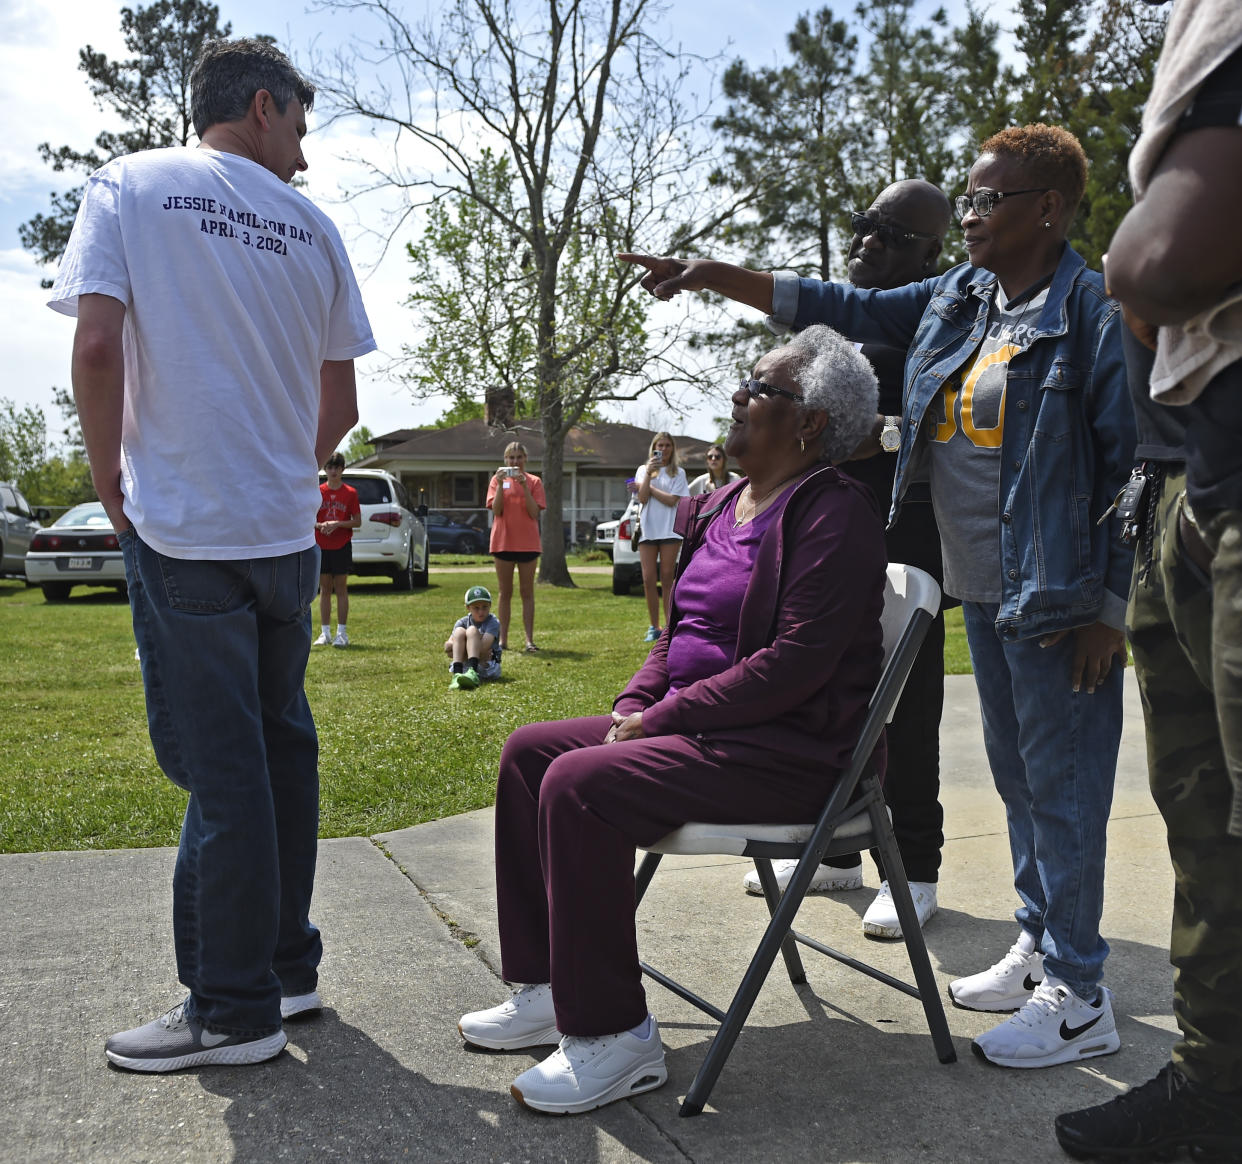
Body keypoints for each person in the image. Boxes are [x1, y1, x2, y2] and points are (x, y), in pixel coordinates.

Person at [623, 124, 1136, 1071]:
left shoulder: (1093, 312)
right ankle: (1038, 944)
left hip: (1062, 597)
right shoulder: (963, 298)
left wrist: (1112, 608)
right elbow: (837, 300)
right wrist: (710, 273)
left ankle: (1080, 992)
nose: (972, 216)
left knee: (1065, 792)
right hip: (984, 587)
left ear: (1048, 209)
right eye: (971, 198)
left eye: (989, 201)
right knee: (1022, 781)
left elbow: (1129, 468)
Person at [457, 326, 884, 1114]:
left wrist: (666, 718)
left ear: (810, 423)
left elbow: (795, 663)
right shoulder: (720, 501)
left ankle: (617, 1037)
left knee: (580, 784)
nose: (736, 395)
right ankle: (550, 988)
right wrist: (633, 701)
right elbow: (680, 632)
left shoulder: (835, 515)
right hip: (699, 731)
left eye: (759, 387)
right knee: (528, 754)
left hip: (787, 750)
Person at [48, 37, 374, 1072]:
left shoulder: (132, 185)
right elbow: (343, 405)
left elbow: (97, 347)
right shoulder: (314, 230)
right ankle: (286, 969)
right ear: (265, 106)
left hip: (184, 530)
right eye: (302, 133)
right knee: (283, 748)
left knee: (223, 769)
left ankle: (230, 1011)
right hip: (282, 536)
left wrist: (109, 480)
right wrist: (277, 466)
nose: (306, 160)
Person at [1055, 6, 1242, 1157]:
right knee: (1204, 822)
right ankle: (1216, 1086)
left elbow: (1156, 263)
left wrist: (1138, 269)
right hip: (1185, 478)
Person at [731, 180, 954, 942]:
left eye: (890, 234)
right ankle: (838, 848)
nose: (866, 240)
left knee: (908, 703)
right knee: (828, 693)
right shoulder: (835, 321)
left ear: (931, 253)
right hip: (827, 533)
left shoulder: (939, 320)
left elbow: (949, 419)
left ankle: (914, 869)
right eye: (863, 224)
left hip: (906, 534)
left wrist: (881, 433)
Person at [487, 441, 546, 653]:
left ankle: (529, 640)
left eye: (519, 457)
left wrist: (523, 486)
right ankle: (503, 640)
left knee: (527, 592)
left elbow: (534, 512)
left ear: (525, 459)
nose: (515, 461)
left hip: (528, 543)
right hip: (503, 543)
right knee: (505, 592)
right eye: (511, 458)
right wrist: (502, 484)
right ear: (505, 460)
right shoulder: (497, 480)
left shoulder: (534, 481)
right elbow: (497, 510)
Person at [635, 431, 690, 642]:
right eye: (660, 445)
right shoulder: (643, 470)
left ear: (672, 448)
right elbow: (642, 497)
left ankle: (669, 627)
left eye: (667, 445)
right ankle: (653, 626)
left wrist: (648, 489)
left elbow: (673, 500)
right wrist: (648, 476)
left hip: (669, 530)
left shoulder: (679, 473)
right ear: (653, 448)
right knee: (648, 579)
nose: (664, 449)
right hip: (648, 530)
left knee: (667, 578)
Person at [314, 452, 361, 647]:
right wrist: (320, 526)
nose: (333, 471)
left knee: (341, 588)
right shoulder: (316, 491)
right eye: (330, 467)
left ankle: (342, 633)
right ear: (325, 469)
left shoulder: (350, 493)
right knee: (324, 589)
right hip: (321, 545)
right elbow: (308, 519)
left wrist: (338, 523)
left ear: (342, 469)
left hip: (341, 545)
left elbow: (357, 521)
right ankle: (325, 633)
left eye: (337, 467)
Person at [445, 584, 503, 690]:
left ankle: (473, 672)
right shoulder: (462, 622)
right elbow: (448, 649)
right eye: (476, 608)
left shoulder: (493, 622)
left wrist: (460, 648)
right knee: (459, 632)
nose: (481, 612)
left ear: (490, 605)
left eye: (484, 607)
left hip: (486, 666)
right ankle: (457, 674)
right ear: (468, 607)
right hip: (465, 664)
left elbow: (483, 648)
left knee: (472, 631)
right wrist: (472, 646)